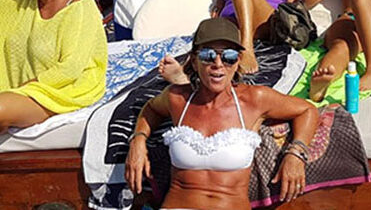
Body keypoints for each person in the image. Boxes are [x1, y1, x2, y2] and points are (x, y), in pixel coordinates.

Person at [126, 18, 319, 210]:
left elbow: (307, 110)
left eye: (228, 56)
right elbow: (151, 109)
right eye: (208, 55)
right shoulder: (178, 99)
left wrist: (295, 154)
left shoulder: (254, 100)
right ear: (194, 61)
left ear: (238, 62)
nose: (218, 63)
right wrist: (138, 140)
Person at [0, 0, 107, 134]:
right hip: (24, 91)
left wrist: (20, 91)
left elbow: (70, 68)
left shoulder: (79, 6)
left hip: (62, 90)